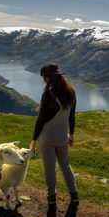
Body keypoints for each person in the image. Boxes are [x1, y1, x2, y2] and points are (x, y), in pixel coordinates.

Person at [30, 62, 79, 205]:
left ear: (48, 78)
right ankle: (74, 194)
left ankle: (51, 197)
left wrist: (33, 140)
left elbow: (41, 119)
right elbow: (72, 116)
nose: (43, 80)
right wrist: (71, 135)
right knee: (65, 165)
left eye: (44, 78)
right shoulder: (71, 92)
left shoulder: (49, 94)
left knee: (49, 167)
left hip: (47, 137)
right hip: (62, 136)